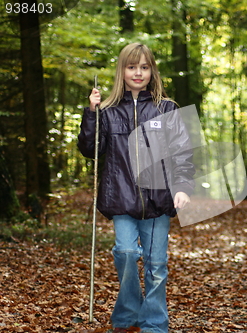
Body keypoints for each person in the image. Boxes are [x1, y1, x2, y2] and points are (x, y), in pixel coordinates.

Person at [78, 43, 195, 333]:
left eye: (144, 67)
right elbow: (90, 150)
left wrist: (182, 186)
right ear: (122, 71)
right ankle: (128, 314)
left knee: (156, 264)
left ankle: (154, 323)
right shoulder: (107, 111)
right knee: (127, 253)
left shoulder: (166, 108)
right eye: (132, 67)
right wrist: (92, 113)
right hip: (120, 197)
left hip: (158, 200)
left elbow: (182, 151)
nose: (138, 72)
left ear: (152, 70)